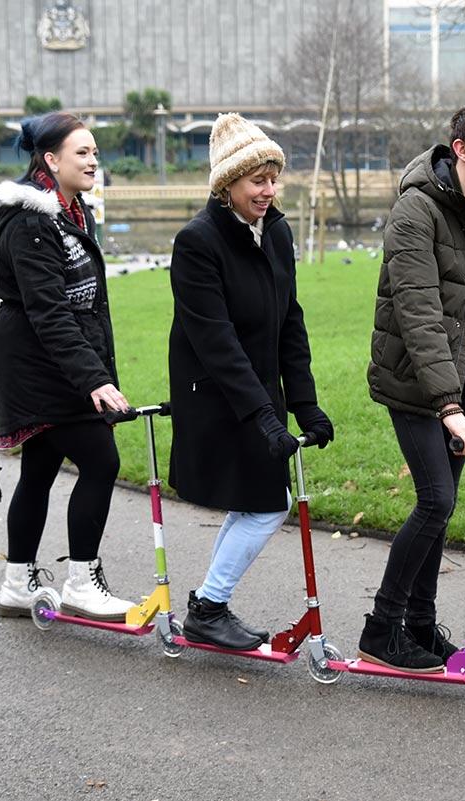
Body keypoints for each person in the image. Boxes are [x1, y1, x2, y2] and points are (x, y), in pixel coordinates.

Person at [359, 102, 465, 673]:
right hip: (415, 382)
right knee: (436, 500)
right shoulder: (416, 210)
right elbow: (418, 314)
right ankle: (382, 629)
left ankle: (421, 629)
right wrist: (448, 406)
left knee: (440, 505)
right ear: (462, 149)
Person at [168, 113, 333, 651]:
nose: (268, 190)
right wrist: (264, 415)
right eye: (256, 180)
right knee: (267, 504)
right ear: (226, 184)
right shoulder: (197, 242)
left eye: (273, 178)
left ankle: (205, 606)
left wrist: (303, 405)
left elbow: (290, 319)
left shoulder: (277, 231)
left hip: (259, 395)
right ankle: (210, 606)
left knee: (253, 502)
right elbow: (215, 341)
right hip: (218, 397)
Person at [0, 112, 134, 622]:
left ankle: (16, 583)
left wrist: (98, 367)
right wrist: (94, 378)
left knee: (43, 466)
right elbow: (49, 311)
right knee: (101, 461)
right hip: (34, 363)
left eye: (95, 151)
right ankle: (81, 582)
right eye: (82, 153)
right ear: (51, 160)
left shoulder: (72, 213)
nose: (94, 160)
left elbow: (86, 305)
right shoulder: (31, 221)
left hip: (53, 358)